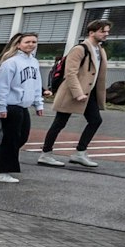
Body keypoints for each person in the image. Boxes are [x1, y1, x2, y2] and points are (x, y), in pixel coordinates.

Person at [40, 18, 110, 168]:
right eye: (102, 31)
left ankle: (80, 153)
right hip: (73, 92)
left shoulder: (100, 50)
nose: (106, 34)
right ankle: (46, 154)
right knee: (59, 123)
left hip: (89, 93)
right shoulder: (80, 49)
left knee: (95, 120)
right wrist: (78, 93)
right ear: (92, 32)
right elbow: (70, 73)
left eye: (107, 31)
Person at [0, 31, 46, 183]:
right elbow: (2, 86)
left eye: (34, 42)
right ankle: (1, 173)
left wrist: (38, 103)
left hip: (23, 106)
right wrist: (1, 107)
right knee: (11, 139)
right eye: (27, 42)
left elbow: (36, 84)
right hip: (10, 105)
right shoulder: (10, 63)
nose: (31, 45)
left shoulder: (34, 62)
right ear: (19, 44)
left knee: (21, 138)